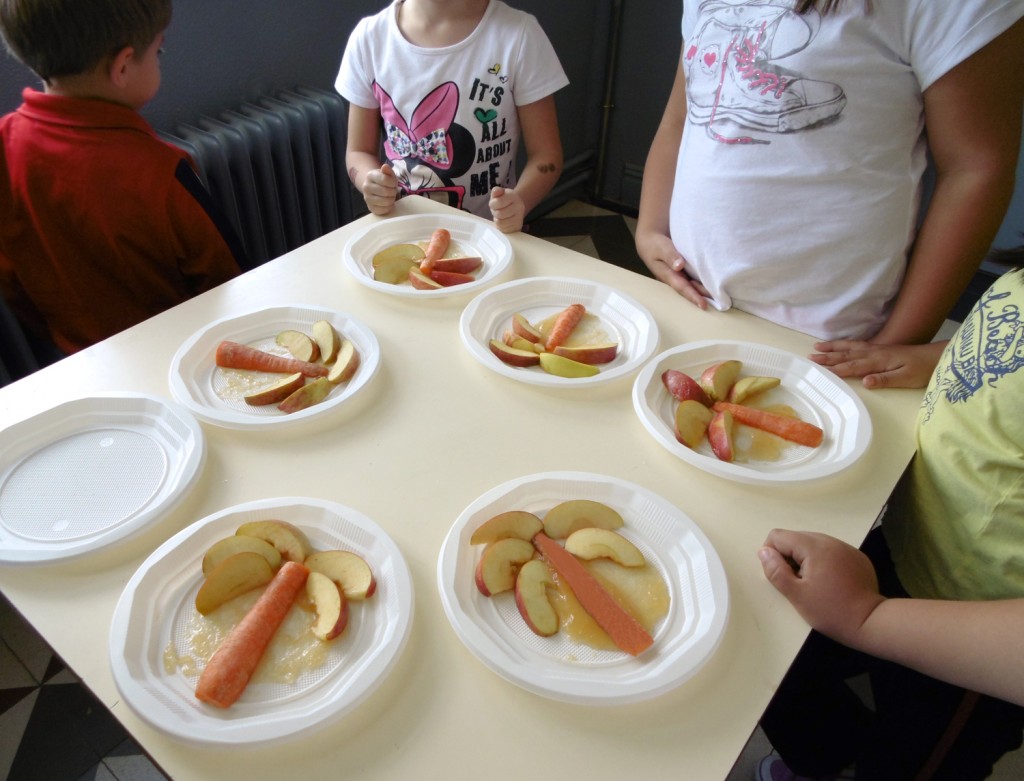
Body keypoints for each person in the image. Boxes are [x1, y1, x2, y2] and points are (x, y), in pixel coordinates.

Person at [756, 251, 1024, 779]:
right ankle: (826, 763)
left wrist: (866, 617)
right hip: (902, 544)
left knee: (908, 762)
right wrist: (939, 357)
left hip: (976, 639)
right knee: (778, 666)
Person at [634, 0, 1024, 346]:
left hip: (826, 335)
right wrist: (649, 229)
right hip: (687, 295)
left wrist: (901, 339)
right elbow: (681, 117)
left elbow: (975, 168)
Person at [0, 0, 245, 357]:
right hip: (179, 360)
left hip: (76, 364)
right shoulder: (163, 172)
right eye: (158, 49)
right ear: (123, 66)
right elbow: (233, 284)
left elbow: (12, 284)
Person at [336, 0, 568, 234]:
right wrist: (370, 181)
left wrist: (520, 201)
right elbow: (358, 152)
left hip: (488, 237)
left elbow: (546, 155)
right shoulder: (368, 39)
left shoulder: (519, 35)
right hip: (402, 232)